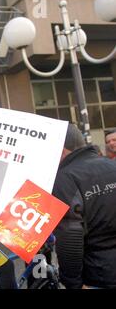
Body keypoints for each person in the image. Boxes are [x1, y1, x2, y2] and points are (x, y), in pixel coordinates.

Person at [52, 123, 116, 289]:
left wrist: (72, 282)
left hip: (99, 273)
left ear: (59, 148)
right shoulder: (111, 165)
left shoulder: (66, 177)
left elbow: (70, 235)